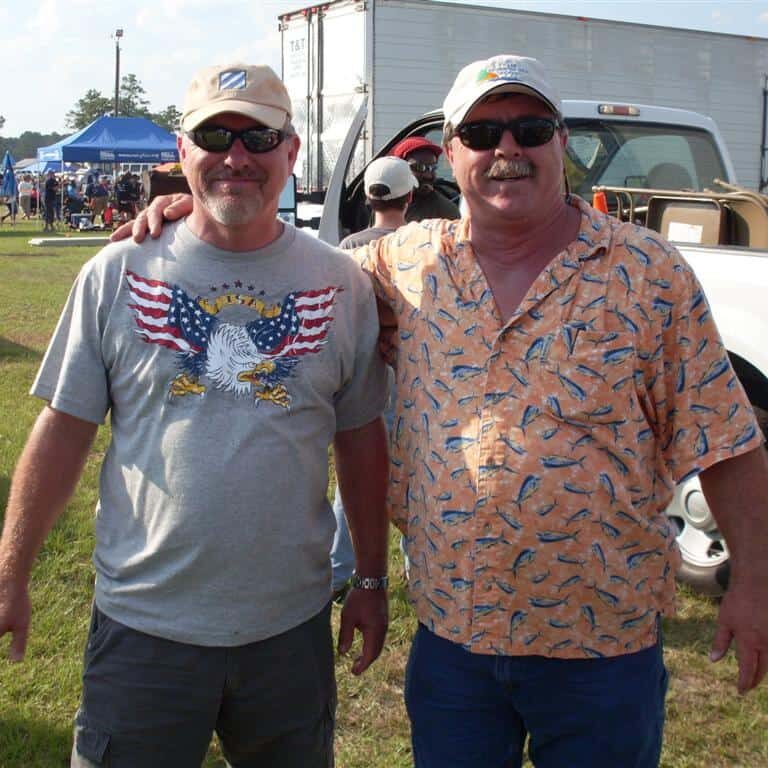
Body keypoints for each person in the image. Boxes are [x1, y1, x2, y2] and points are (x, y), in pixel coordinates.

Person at [115, 54, 768, 768]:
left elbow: (727, 441)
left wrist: (756, 586)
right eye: (483, 133)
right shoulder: (400, 265)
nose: (506, 150)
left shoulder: (650, 274)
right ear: (450, 153)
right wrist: (198, 211)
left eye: (530, 128)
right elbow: (280, 260)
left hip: (602, 648)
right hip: (456, 645)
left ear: (561, 146)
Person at [0, 61, 390, 768]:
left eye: (259, 138)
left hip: (288, 632)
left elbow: (359, 437)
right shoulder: (118, 273)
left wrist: (369, 577)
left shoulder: (340, 283)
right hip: (144, 628)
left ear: (292, 153)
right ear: (182, 153)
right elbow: (62, 430)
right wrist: (10, 570)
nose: (236, 156)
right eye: (214, 135)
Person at [331, 156, 417, 597]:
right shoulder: (422, 246)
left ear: (367, 196)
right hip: (411, 384)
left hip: (362, 384)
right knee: (416, 478)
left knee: (354, 480)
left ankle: (340, 568)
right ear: (410, 196)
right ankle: (414, 566)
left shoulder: (346, 249)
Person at [389, 135, 460, 222]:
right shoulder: (386, 204)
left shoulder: (445, 213)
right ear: (399, 169)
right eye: (419, 167)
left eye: (433, 168)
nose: (428, 175)